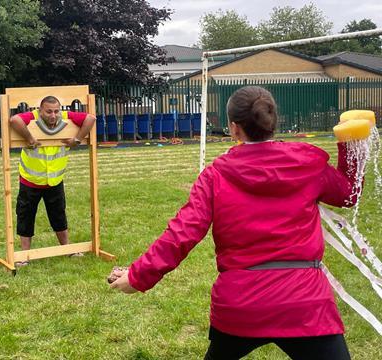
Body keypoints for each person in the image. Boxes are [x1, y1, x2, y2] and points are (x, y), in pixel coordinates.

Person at [110, 86, 360, 360]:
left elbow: (183, 233)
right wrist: (351, 144)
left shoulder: (216, 175)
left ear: (233, 128)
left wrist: (138, 276)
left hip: (244, 304)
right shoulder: (306, 163)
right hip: (303, 303)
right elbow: (348, 193)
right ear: (273, 121)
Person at [10, 96, 95, 266]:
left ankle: (67, 249)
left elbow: (90, 118)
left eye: (56, 111)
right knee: (26, 215)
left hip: (55, 180)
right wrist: (29, 138)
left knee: (58, 214)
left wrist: (77, 139)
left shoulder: (65, 117)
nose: (53, 115)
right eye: (48, 111)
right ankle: (24, 255)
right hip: (31, 179)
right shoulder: (31, 118)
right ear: (40, 110)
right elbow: (14, 120)